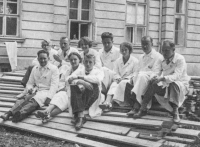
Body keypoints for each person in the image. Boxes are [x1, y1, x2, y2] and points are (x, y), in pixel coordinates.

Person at [133, 40, 190, 123]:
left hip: (180, 84)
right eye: (162, 50)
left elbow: (177, 76)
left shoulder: (180, 59)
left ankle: (175, 112)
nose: (164, 53)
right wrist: (154, 77)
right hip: (167, 83)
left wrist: (162, 78)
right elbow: (156, 71)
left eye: (167, 50)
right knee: (153, 83)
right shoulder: (161, 58)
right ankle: (143, 108)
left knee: (174, 84)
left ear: (173, 49)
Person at [0, 50, 59, 122]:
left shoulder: (54, 69)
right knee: (24, 99)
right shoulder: (35, 68)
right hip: (36, 90)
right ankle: (8, 114)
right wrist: (29, 89)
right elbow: (30, 83)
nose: (43, 60)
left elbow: (54, 85)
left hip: (46, 91)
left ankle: (19, 115)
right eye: (41, 58)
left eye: (44, 58)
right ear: (38, 59)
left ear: (48, 58)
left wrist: (49, 97)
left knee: (33, 102)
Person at [34, 52, 84, 122]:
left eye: (75, 59)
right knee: (58, 96)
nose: (73, 61)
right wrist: (61, 88)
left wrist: (69, 89)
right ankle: (47, 112)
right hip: (66, 90)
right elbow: (62, 81)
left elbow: (83, 84)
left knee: (64, 99)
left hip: (77, 93)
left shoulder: (83, 70)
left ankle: (47, 114)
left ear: (79, 60)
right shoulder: (68, 70)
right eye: (71, 60)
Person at [126, 36, 163, 116]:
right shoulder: (141, 57)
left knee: (141, 77)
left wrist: (144, 74)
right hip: (141, 79)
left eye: (147, 44)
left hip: (150, 79)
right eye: (143, 44)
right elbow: (136, 70)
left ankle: (136, 106)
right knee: (136, 77)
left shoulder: (158, 56)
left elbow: (156, 72)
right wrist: (133, 76)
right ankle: (139, 106)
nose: (145, 46)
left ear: (152, 44)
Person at [67, 54, 104, 130]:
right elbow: (69, 79)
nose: (88, 64)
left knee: (93, 84)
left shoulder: (98, 71)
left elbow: (97, 79)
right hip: (82, 97)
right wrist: (81, 82)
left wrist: (81, 78)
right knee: (73, 86)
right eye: (86, 62)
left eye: (90, 62)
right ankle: (80, 118)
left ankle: (76, 115)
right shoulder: (80, 70)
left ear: (94, 63)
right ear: (83, 62)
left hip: (93, 96)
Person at [99, 42, 138, 111]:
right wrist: (119, 78)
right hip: (119, 80)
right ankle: (107, 102)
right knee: (114, 84)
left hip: (129, 81)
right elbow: (115, 72)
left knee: (122, 83)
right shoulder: (118, 61)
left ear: (129, 50)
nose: (124, 51)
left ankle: (111, 103)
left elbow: (135, 74)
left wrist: (125, 78)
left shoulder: (135, 61)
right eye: (122, 50)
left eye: (126, 50)